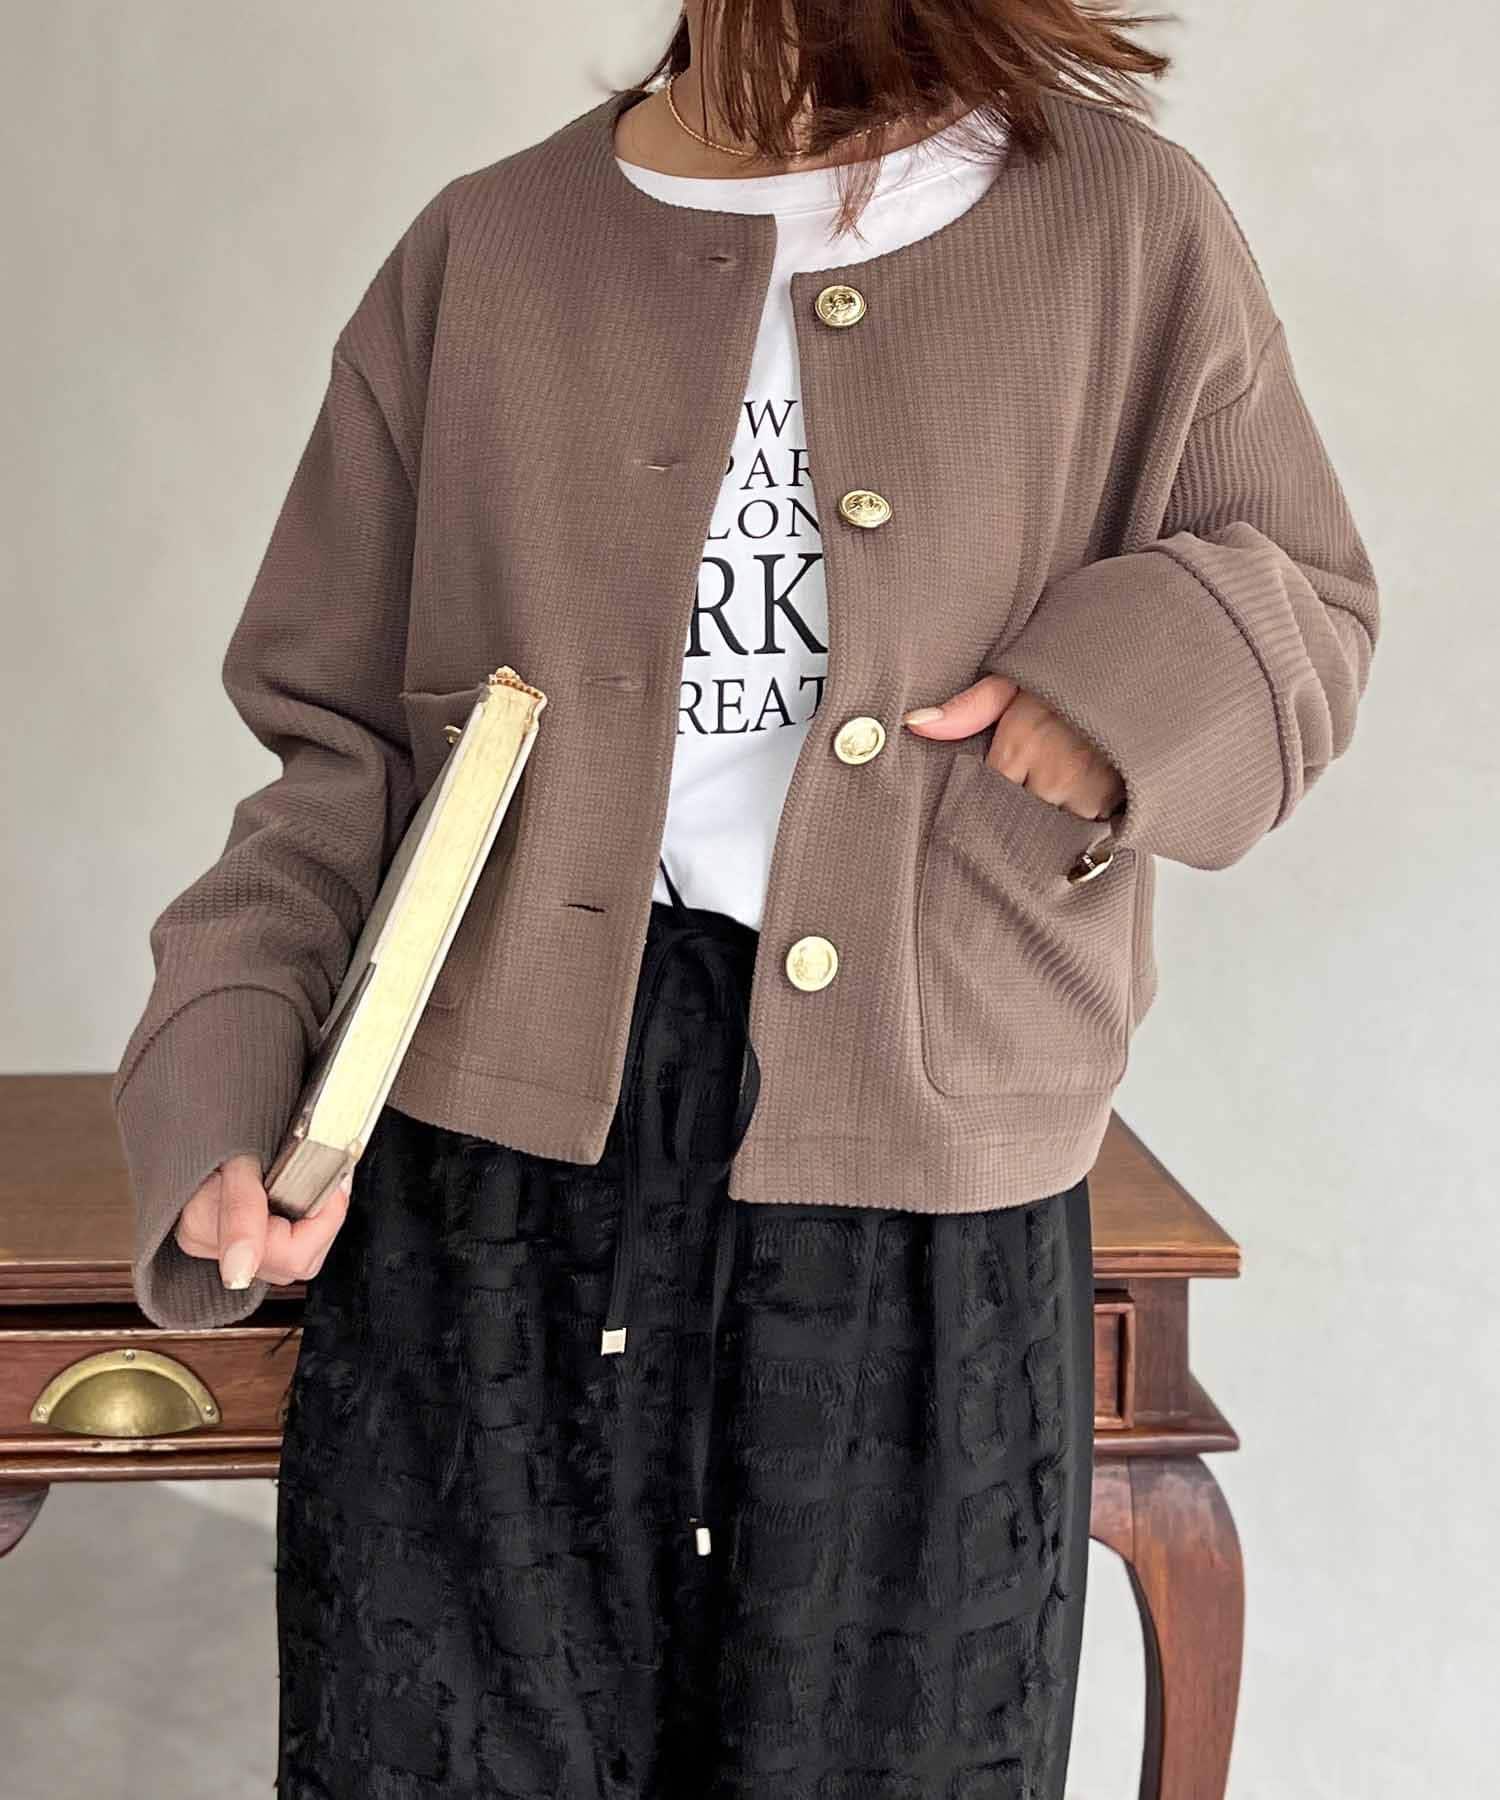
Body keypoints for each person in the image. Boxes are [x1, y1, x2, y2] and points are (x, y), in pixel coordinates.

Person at [110, 3, 1379, 1795]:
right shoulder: (491, 248)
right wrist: (224, 1082)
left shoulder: (1121, 223)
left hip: (923, 1189)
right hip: (493, 1189)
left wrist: (1120, 694)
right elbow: (338, 754)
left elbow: (1309, 599)